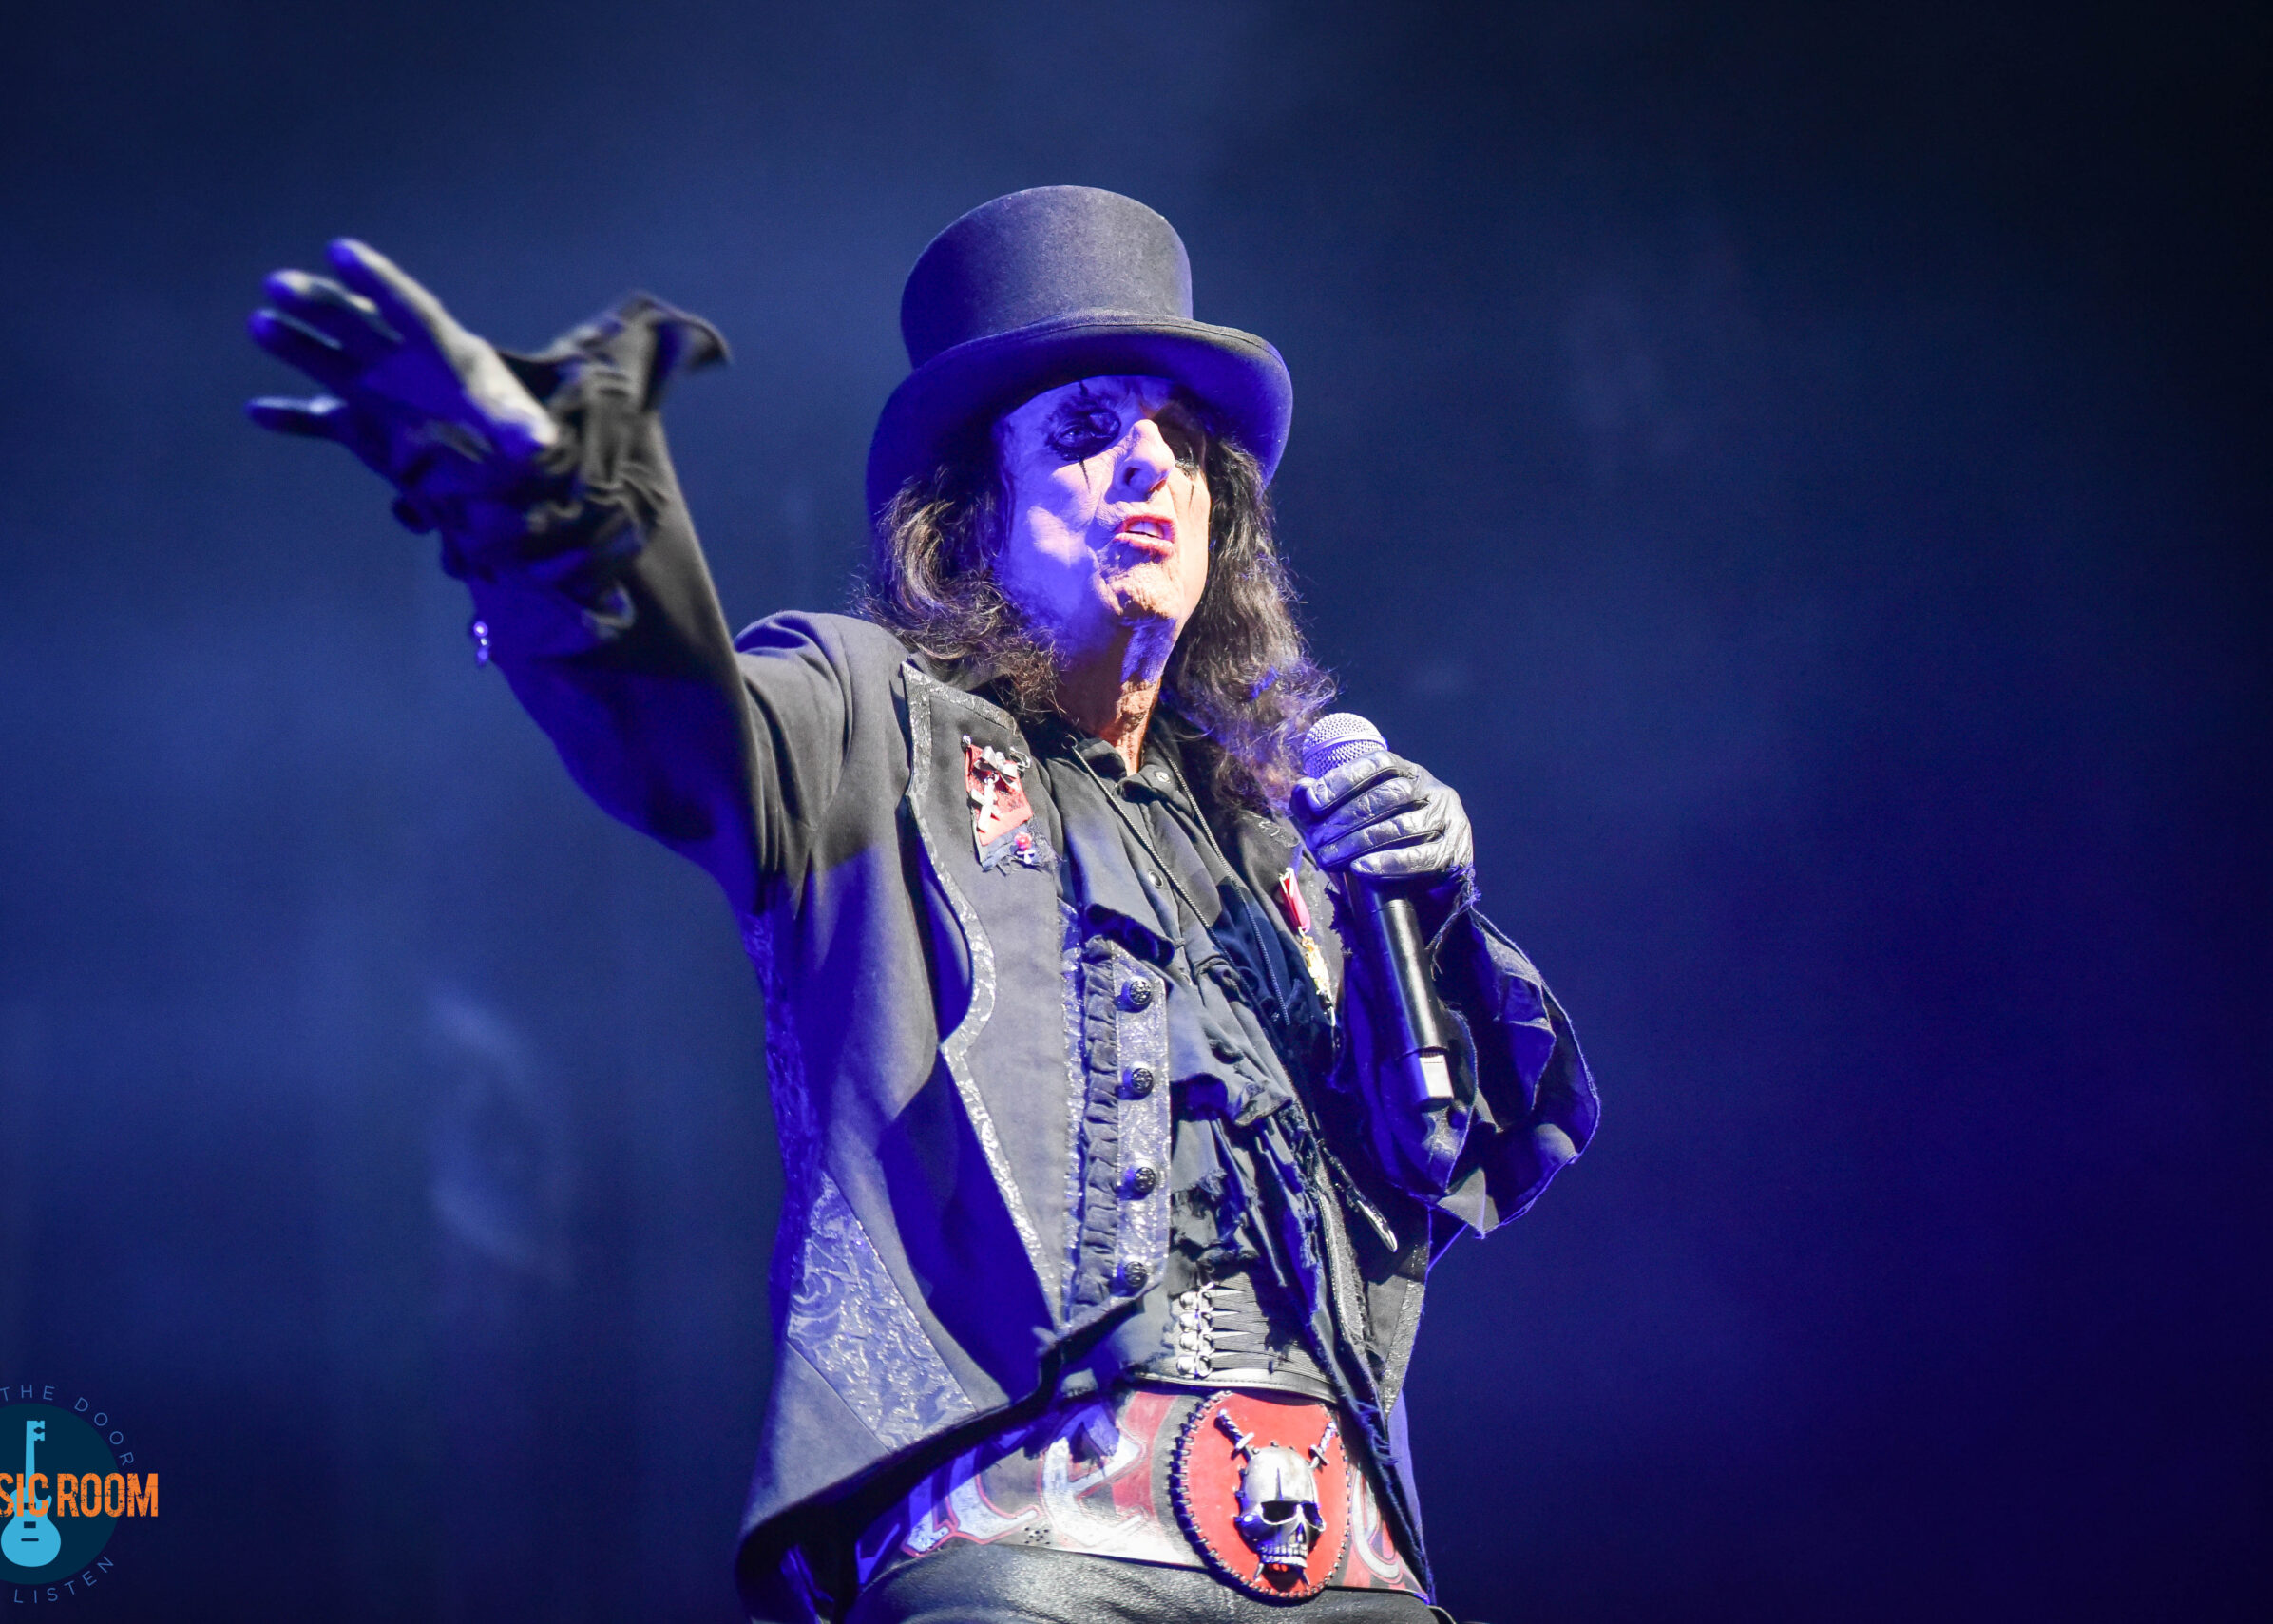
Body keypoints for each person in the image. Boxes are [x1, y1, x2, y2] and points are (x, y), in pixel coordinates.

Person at [248, 186, 1595, 1624]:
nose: (1149, 465)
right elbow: (682, 732)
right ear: (975, 518)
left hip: (1339, 1561)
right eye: (1084, 433)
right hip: (1031, 1544)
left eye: (1181, 442)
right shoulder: (871, 719)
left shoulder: (1286, 854)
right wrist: (541, 505)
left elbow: (1445, 1162)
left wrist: (1431, 910)